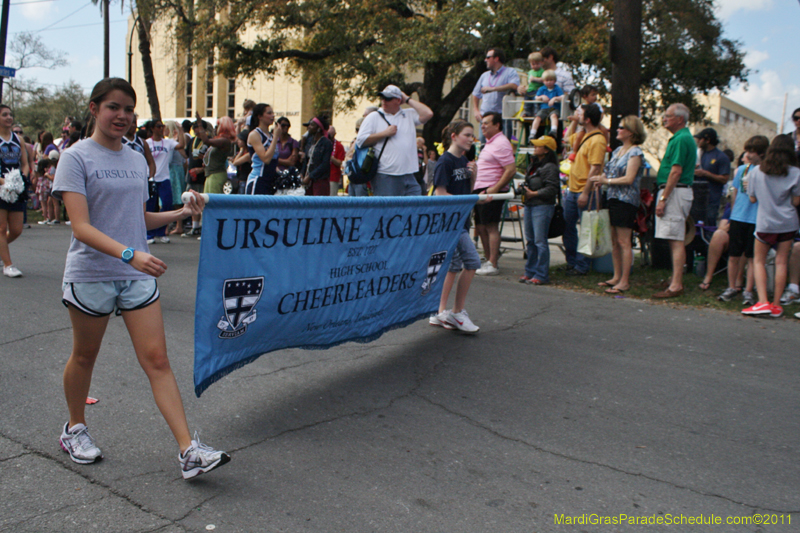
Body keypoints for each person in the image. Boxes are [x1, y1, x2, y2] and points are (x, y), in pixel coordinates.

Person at [51, 78, 230, 477]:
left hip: (135, 274)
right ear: (95, 108)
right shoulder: (76, 157)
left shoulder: (135, 157)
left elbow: (138, 218)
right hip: (93, 272)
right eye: (114, 107)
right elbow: (80, 226)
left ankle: (188, 451)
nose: (123, 116)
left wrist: (182, 215)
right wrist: (130, 254)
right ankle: (74, 428)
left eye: (129, 109)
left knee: (158, 361)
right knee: (84, 355)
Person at [429, 120, 482, 333]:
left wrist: (474, 176)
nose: (471, 139)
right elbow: (440, 194)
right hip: (450, 223)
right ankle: (457, 312)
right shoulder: (445, 161)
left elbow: (466, 191)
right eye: (467, 135)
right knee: (473, 261)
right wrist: (474, 200)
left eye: (472, 135)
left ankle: (439, 311)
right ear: (454, 136)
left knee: (453, 265)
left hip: (461, 219)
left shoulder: (463, 161)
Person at [705, 136, 769, 304]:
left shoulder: (767, 172)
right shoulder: (742, 170)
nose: (747, 155)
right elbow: (734, 193)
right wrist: (733, 213)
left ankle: (748, 290)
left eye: (751, 151)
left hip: (756, 219)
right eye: (746, 151)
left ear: (761, 153)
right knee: (734, 254)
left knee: (752, 257)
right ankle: (732, 286)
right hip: (738, 217)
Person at [742, 135, 800, 317]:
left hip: (765, 222)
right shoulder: (796, 172)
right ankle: (776, 305)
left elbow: (752, 198)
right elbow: (797, 200)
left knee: (759, 261)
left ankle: (762, 301)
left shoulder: (757, 172)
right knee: (782, 261)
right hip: (788, 222)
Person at [587, 115, 646, 294]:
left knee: (623, 240)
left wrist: (607, 181)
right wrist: (602, 181)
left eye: (621, 127)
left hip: (626, 200)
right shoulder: (617, 151)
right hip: (612, 197)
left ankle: (625, 281)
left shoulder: (635, 152)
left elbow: (629, 178)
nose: (617, 130)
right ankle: (616, 275)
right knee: (614, 240)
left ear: (631, 131)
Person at [356, 84, 433, 197]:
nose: (384, 101)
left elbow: (428, 113)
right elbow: (360, 141)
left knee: (414, 210)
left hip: (409, 174)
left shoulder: (408, 114)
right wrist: (384, 133)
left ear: (398, 100)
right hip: (386, 174)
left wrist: (407, 99)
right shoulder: (374, 116)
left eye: (388, 98)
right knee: (388, 212)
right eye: (382, 97)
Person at [652, 103, 696, 298]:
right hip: (677, 192)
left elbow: (676, 171)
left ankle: (676, 285)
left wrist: (663, 199)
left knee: (676, 239)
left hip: (676, 192)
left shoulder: (680, 139)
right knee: (674, 238)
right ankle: (674, 279)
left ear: (680, 119)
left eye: (668, 116)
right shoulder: (682, 138)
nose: (664, 119)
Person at [563, 104, 607, 276]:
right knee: (568, 227)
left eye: (581, 114)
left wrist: (586, 192)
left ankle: (582, 266)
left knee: (586, 229)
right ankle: (572, 262)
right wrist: (573, 122)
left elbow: (595, 168)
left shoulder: (598, 139)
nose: (578, 115)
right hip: (572, 189)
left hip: (584, 190)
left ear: (587, 119)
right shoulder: (583, 135)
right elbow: (566, 138)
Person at [473, 112, 516, 276]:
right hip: (481, 190)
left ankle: (493, 263)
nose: (482, 126)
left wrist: (495, 188)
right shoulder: (489, 143)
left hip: (490, 190)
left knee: (490, 226)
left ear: (497, 125)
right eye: (482, 123)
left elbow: (511, 170)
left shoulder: (501, 143)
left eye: (486, 123)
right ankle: (488, 258)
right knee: (480, 226)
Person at [519, 136, 560, 285]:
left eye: (538, 146)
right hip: (530, 205)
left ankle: (541, 274)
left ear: (546, 150)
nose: (535, 148)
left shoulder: (550, 167)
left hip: (542, 206)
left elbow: (552, 189)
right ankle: (530, 271)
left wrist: (534, 193)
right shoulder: (534, 164)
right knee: (531, 241)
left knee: (539, 241)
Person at [0, 104, 31, 278]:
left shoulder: (18, 139)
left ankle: (1, 248)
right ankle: (8, 264)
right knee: (1, 227)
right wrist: (5, 182)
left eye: (10, 114)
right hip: (1, 187)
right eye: (4, 115)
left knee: (17, 229)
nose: (9, 117)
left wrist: (22, 179)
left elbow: (25, 163)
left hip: (16, 188)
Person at [145, 119, 186, 244]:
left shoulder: (168, 142)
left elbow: (181, 145)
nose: (161, 128)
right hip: (151, 178)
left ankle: (162, 232)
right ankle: (149, 234)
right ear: (152, 128)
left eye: (162, 126)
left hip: (164, 178)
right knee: (151, 207)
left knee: (167, 204)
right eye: (158, 126)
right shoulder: (147, 143)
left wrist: (180, 131)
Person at [471, 48, 520, 141]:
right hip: (485, 116)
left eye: (488, 57)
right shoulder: (484, 75)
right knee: (483, 144)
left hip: (503, 116)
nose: (485, 60)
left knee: (503, 143)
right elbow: (476, 94)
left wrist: (493, 89)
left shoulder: (510, 72)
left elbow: (514, 85)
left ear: (496, 59)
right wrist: (476, 110)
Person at [693, 128, 731, 227]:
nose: (698, 141)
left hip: (712, 200)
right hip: (696, 198)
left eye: (700, 139)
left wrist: (706, 173)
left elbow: (724, 179)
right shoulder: (699, 154)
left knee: (709, 224)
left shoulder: (721, 157)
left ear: (707, 140)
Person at [193, 113, 236, 195]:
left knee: (212, 201)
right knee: (207, 200)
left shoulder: (224, 141)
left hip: (216, 174)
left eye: (218, 126)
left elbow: (206, 141)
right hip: (211, 174)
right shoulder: (221, 140)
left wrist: (200, 124)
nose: (216, 128)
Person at [246, 103, 282, 195]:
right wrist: (276, 137)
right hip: (258, 180)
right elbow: (266, 159)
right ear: (260, 116)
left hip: (271, 181)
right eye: (269, 113)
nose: (273, 116)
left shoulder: (271, 135)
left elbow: (274, 160)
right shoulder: (255, 134)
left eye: (273, 113)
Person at [302, 116, 333, 196]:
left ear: (318, 128)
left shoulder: (326, 143)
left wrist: (310, 176)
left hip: (320, 180)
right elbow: (307, 160)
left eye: (312, 125)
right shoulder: (310, 141)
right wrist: (302, 173)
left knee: (318, 205)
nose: (309, 127)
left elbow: (325, 164)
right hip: (308, 180)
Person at [529, 70, 564, 140]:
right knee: (537, 117)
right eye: (546, 80)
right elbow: (536, 98)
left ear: (554, 80)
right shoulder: (542, 89)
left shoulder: (557, 88)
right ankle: (532, 133)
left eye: (551, 80)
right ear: (543, 81)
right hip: (544, 108)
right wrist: (541, 97)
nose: (549, 82)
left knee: (554, 116)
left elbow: (562, 97)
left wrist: (555, 98)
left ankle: (554, 130)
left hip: (554, 108)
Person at [518, 51, 545, 118]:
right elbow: (529, 82)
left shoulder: (542, 71)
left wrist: (535, 79)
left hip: (538, 90)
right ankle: (527, 113)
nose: (535, 66)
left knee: (536, 103)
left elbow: (544, 80)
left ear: (541, 63)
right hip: (530, 90)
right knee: (527, 102)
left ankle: (536, 113)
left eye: (537, 64)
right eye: (533, 64)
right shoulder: (530, 72)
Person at [329, 126, 346, 196]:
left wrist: (330, 157)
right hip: (322, 177)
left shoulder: (339, 146)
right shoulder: (322, 143)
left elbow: (339, 163)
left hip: (333, 177)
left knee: (331, 199)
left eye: (331, 135)